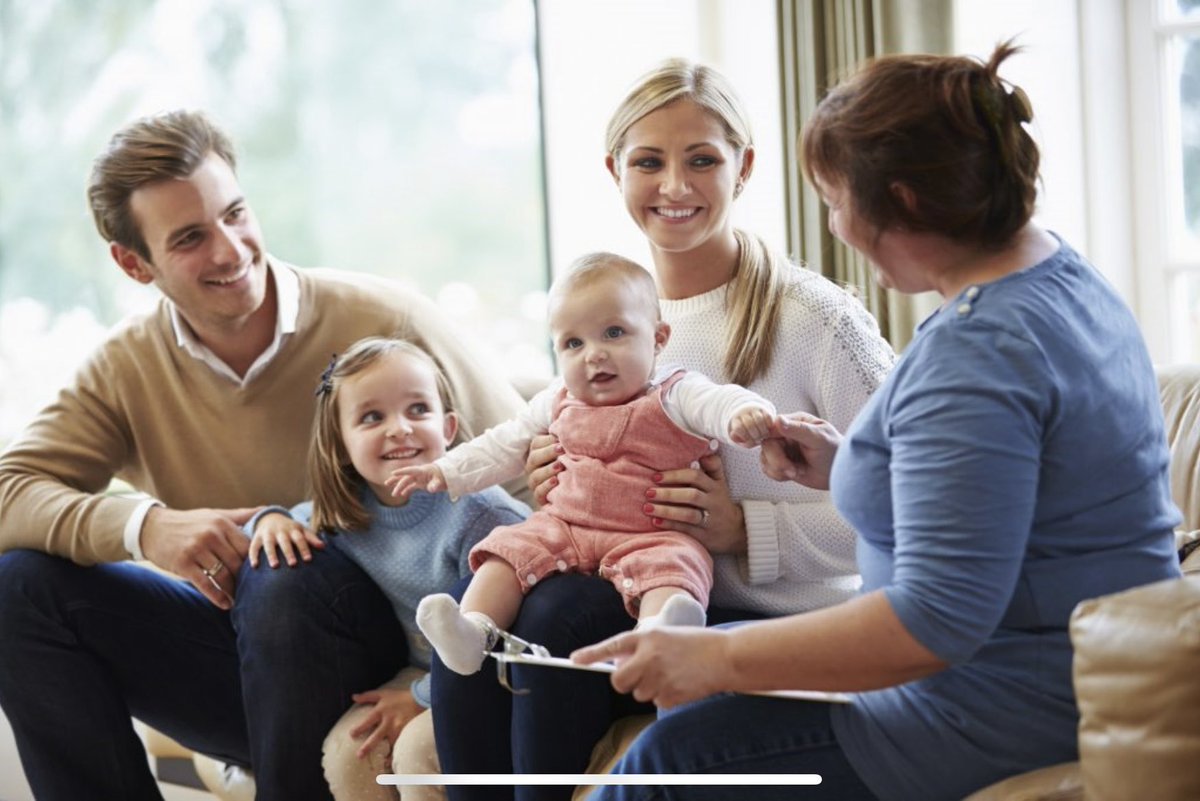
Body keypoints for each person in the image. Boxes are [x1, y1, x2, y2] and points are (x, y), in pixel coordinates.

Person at [571, 42, 1184, 801]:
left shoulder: (978, 355)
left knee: (659, 767)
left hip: (986, 707)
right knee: (656, 662)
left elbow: (931, 623)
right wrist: (852, 462)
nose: (834, 226)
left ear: (907, 202)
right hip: (1031, 672)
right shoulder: (1058, 277)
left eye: (835, 200)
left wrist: (717, 663)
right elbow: (1005, 493)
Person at [0, 109, 528, 801]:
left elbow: (530, 459)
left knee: (280, 569)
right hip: (237, 666)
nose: (230, 249)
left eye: (236, 213)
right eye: (190, 237)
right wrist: (146, 527)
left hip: (390, 656)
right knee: (15, 589)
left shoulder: (386, 321)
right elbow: (12, 489)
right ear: (133, 263)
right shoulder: (126, 370)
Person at [427, 59, 895, 800]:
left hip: (767, 622)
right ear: (615, 171)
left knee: (554, 618)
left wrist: (746, 528)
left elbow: (910, 511)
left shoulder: (816, 321)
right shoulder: (603, 318)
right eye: (649, 161)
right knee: (489, 615)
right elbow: (558, 469)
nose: (674, 186)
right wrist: (557, 477)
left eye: (701, 159)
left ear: (743, 167)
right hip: (631, 588)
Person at [391, 254, 776, 676]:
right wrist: (444, 470)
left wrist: (745, 415)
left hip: (649, 535)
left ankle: (661, 635)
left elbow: (721, 402)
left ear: (659, 338)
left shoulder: (676, 392)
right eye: (574, 343)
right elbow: (503, 444)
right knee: (506, 552)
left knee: (678, 564)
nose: (594, 355)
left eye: (614, 333)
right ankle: (473, 632)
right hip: (564, 526)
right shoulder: (557, 399)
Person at [246, 336, 530, 800]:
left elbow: (502, 641)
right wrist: (268, 520)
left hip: (491, 673)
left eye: (418, 410)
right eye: (372, 417)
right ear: (340, 443)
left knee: (418, 751)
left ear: (449, 427)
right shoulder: (346, 511)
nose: (399, 429)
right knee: (350, 751)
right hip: (418, 668)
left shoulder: (480, 515)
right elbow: (282, 528)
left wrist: (422, 697)